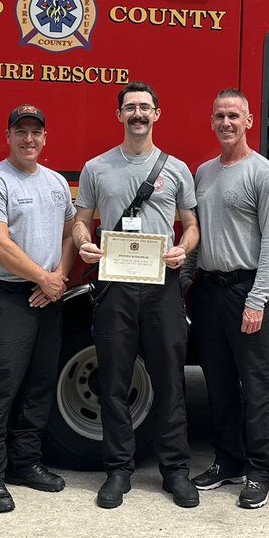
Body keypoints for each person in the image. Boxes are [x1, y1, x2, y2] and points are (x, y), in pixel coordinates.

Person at [72, 81, 200, 509]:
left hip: (161, 285)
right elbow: (80, 220)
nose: (138, 114)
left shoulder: (177, 169)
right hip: (115, 285)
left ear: (157, 114)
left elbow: (192, 223)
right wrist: (84, 241)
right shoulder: (96, 167)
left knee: (169, 380)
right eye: (130, 108)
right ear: (119, 115)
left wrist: (185, 247)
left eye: (145, 107)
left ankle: (175, 471)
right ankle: (118, 471)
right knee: (114, 380)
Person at [0, 105, 75, 514]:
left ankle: (25, 463)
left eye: (36, 132)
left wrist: (59, 276)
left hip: (47, 295)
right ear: (7, 136)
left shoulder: (56, 183)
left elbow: (69, 233)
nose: (29, 139)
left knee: (40, 383)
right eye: (21, 132)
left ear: (45, 138)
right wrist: (42, 278)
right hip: (6, 295)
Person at [184, 90, 269, 509]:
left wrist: (258, 299)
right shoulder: (204, 172)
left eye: (234, 116)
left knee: (258, 386)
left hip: (248, 290)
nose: (226, 123)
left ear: (248, 121)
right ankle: (227, 462)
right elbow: (197, 237)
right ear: (211, 122)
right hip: (209, 292)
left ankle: (260, 471)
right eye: (219, 116)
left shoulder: (265, 175)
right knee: (219, 382)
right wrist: (184, 283)